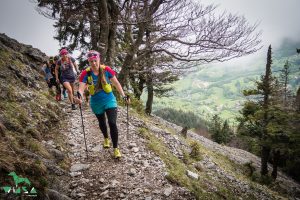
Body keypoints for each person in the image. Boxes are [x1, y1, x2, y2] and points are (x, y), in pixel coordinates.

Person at [74, 50, 129, 159]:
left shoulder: (106, 70)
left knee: (112, 123)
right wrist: (79, 96)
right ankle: (106, 138)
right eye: (91, 61)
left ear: (99, 59)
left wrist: (123, 95)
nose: (94, 63)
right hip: (96, 102)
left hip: (109, 100)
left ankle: (116, 148)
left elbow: (116, 83)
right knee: (102, 122)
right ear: (89, 62)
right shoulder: (86, 73)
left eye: (95, 60)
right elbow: (81, 88)